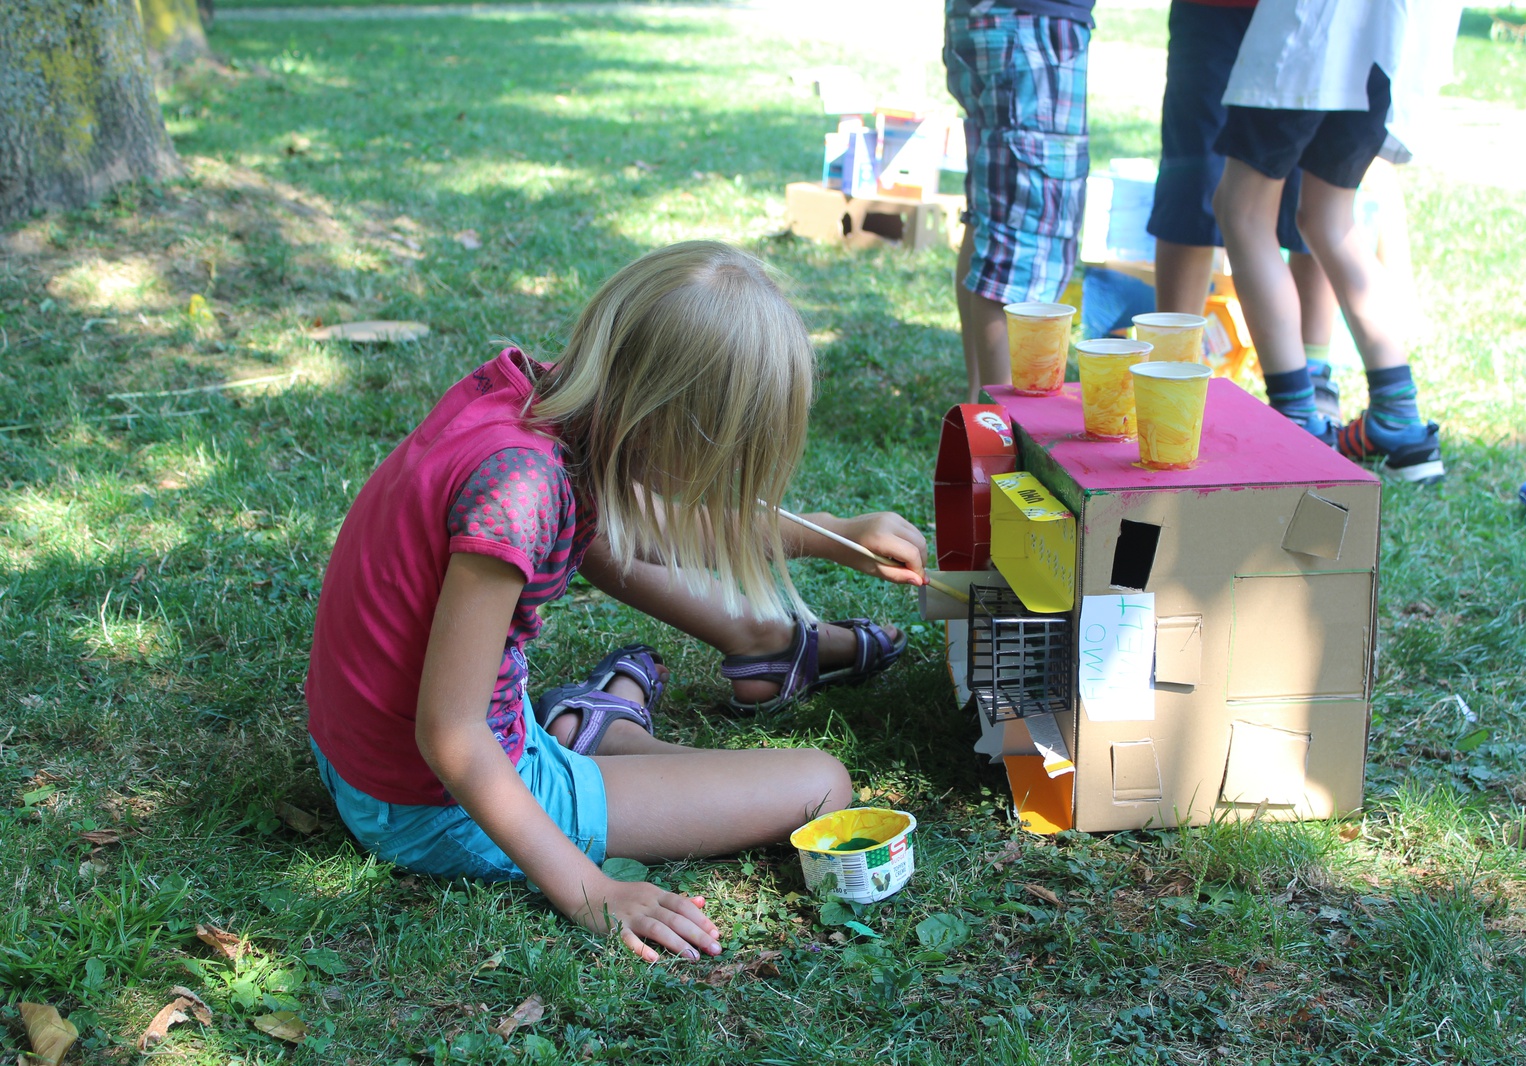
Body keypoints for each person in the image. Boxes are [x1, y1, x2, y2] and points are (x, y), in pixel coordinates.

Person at [304, 241, 929, 962]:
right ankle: (602, 738)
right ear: (671, 428)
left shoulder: (537, 410)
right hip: (426, 803)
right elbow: (452, 735)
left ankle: (608, 729)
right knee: (820, 782)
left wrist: (832, 535)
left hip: (362, 757)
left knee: (603, 536)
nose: (715, 478)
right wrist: (588, 889)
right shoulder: (520, 494)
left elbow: (650, 529)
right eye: (719, 459)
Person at [1211, 0, 1457, 483]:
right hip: (1390, 45)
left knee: (1242, 211)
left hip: (1311, 34)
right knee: (1328, 217)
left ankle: (1297, 424)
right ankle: (1399, 419)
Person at [1146, 0, 1340, 425]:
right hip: (1213, 10)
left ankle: (1312, 382)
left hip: (1311, 13)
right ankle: (1171, 374)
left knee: (1308, 193)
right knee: (1194, 179)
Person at [944, 0, 1095, 403]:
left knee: (992, 218)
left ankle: (981, 417)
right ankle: (1004, 431)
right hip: (1032, 26)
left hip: (999, 21)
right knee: (1021, 242)